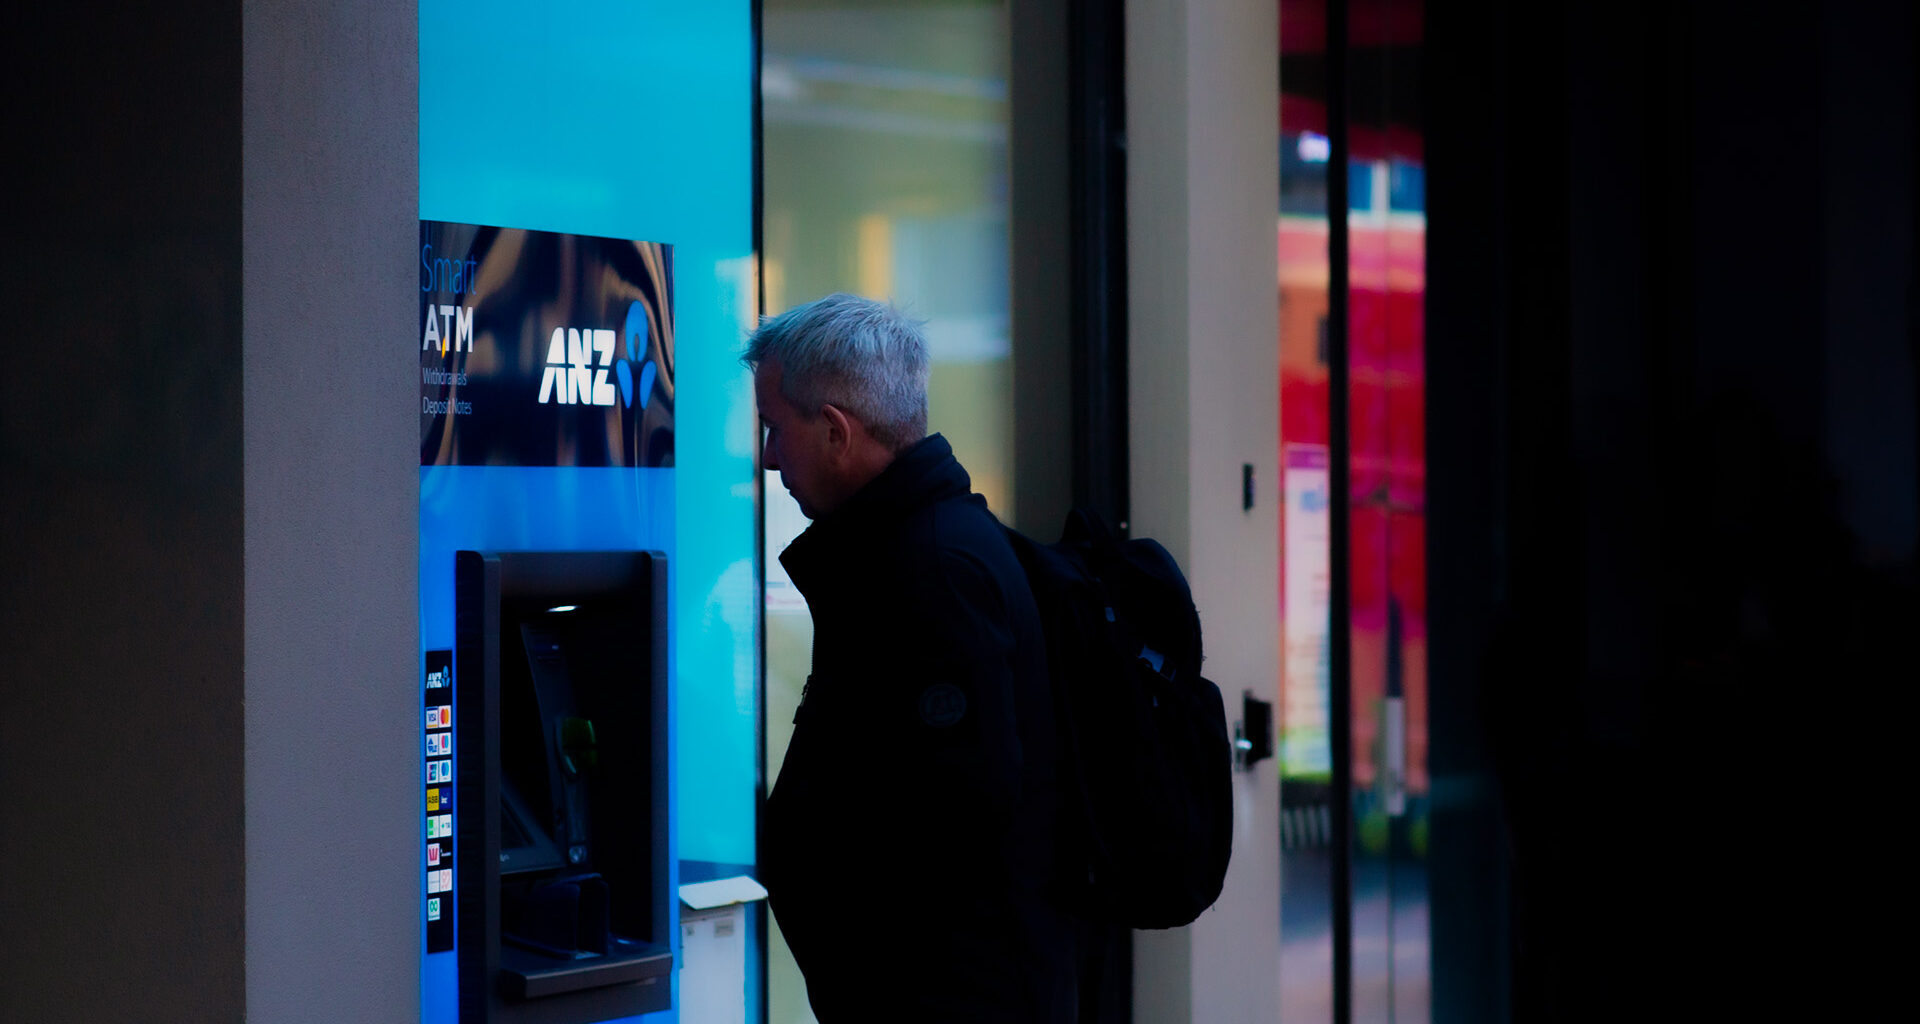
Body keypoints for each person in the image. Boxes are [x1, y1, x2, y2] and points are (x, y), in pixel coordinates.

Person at [747, 294, 1076, 1022]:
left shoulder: (932, 567)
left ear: (835, 431)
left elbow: (957, 809)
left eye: (775, 429)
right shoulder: (913, 547)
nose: (768, 458)